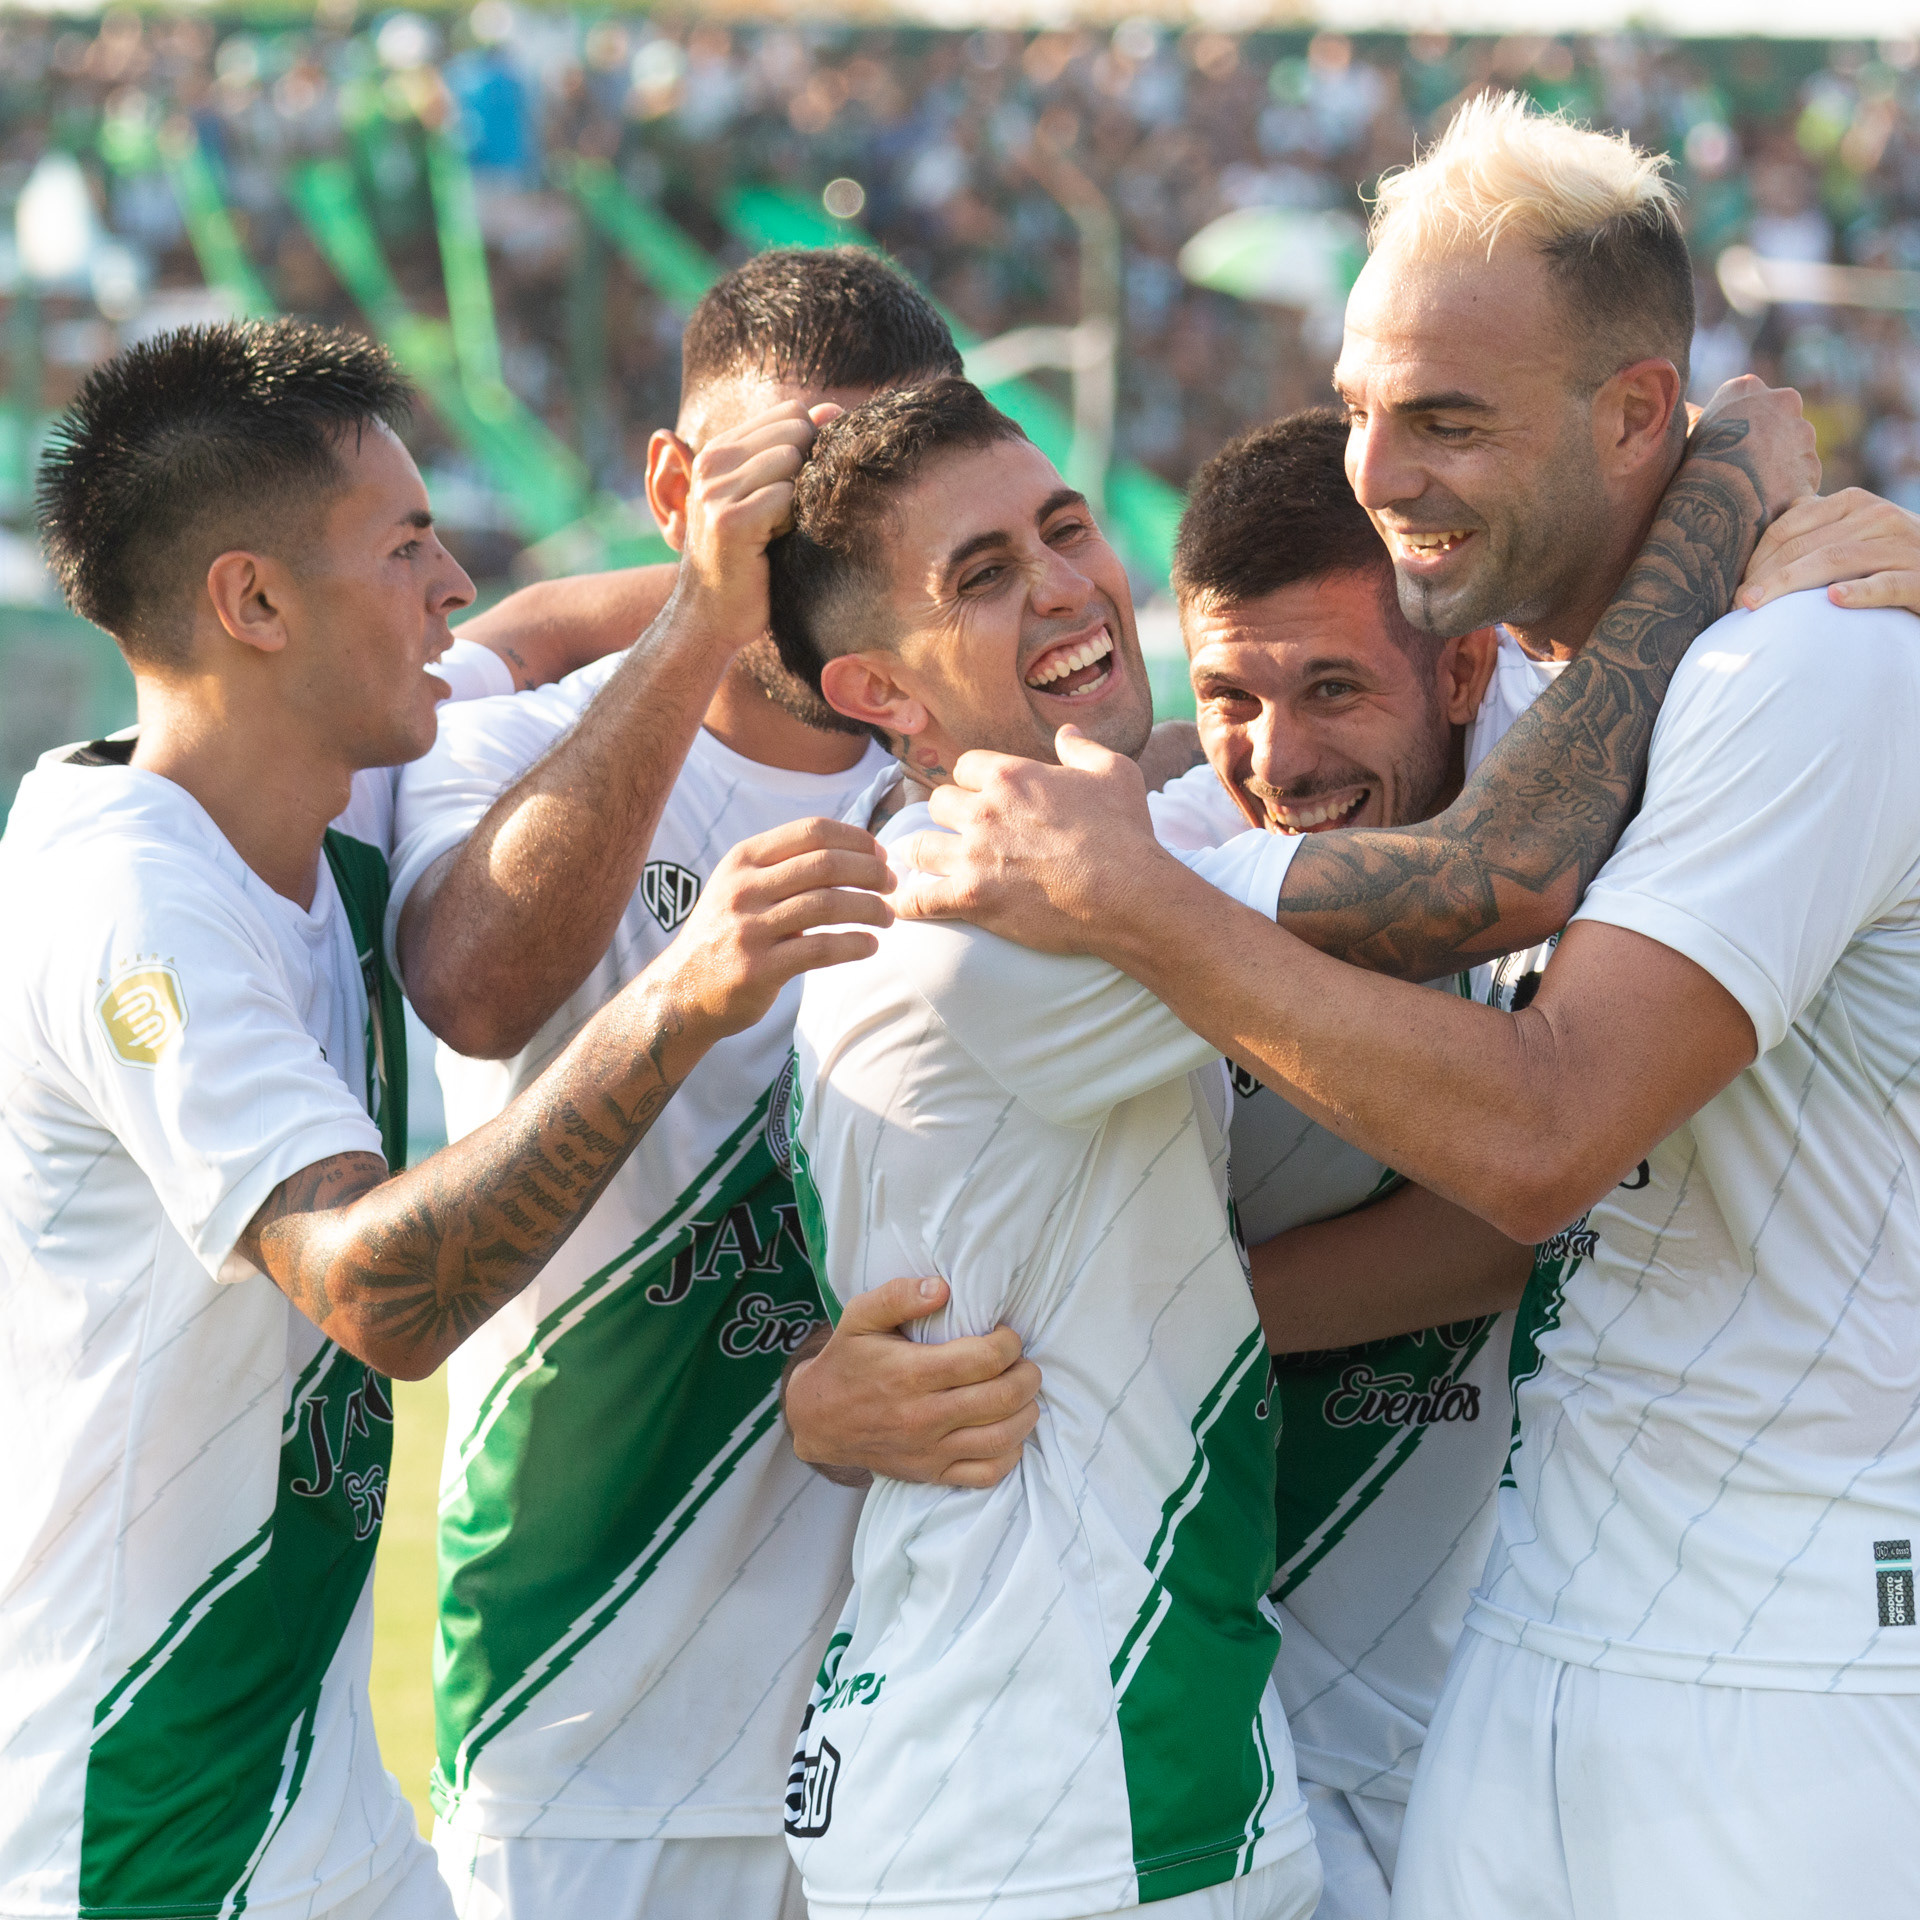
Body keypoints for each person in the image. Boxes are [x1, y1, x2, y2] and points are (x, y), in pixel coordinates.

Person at [881, 97, 1920, 1918]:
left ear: (1627, 416)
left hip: (1792, 1666)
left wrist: (1132, 901)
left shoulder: (1810, 662)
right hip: (1551, 1642)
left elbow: (1539, 1135)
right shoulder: (1584, 684)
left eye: (1449, 416)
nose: (1384, 465)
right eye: (1364, 403)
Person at [768, 356, 1804, 1919]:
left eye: (1062, 530)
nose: (1062, 588)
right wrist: (1730, 472)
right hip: (1063, 1791)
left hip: (1158, 1759)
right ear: (882, 693)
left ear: (1458, 675)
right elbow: (1509, 892)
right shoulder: (1005, 901)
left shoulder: (1130, 849)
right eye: (985, 574)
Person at [0, 319, 889, 1920]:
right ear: (252, 602)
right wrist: (682, 997)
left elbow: (540, 629)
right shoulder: (130, 898)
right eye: (407, 546)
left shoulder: (311, 778)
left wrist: (802, 552)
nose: (451, 587)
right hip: (135, 1820)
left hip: (315, 1788)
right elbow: (371, 1291)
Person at [390, 250, 1023, 1920]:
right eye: (788, 494)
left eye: (872, 498)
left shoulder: (983, 793)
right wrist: (698, 609)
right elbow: (471, 987)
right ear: (680, 486)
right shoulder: (511, 738)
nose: (823, 550)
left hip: (922, 1736)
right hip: (590, 1731)